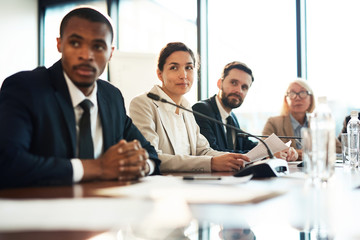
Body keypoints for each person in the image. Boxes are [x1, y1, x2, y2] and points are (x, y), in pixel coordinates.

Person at [0, 7, 160, 188]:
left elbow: (151, 155)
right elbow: (7, 163)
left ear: (111, 52)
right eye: (75, 43)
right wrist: (98, 167)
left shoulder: (112, 96)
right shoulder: (25, 88)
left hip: (107, 207)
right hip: (44, 209)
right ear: (60, 44)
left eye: (98, 46)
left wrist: (141, 166)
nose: (87, 55)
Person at [129, 42, 250, 173]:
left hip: (189, 183)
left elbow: (203, 150)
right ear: (160, 74)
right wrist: (210, 163)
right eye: (174, 68)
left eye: (189, 68)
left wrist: (237, 158)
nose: (183, 75)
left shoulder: (186, 108)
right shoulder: (142, 104)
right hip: (161, 187)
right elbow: (151, 156)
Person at [192, 61, 297, 161]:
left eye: (244, 87)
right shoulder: (202, 110)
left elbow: (246, 145)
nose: (238, 90)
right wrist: (266, 155)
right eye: (233, 83)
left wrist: (277, 150)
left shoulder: (231, 117)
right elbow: (213, 152)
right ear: (220, 83)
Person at [262, 78, 341, 160]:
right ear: (286, 99)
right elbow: (261, 152)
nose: (297, 98)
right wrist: (294, 153)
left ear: (311, 99)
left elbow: (339, 149)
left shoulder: (319, 122)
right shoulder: (273, 122)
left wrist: (310, 153)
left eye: (303, 92)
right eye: (292, 93)